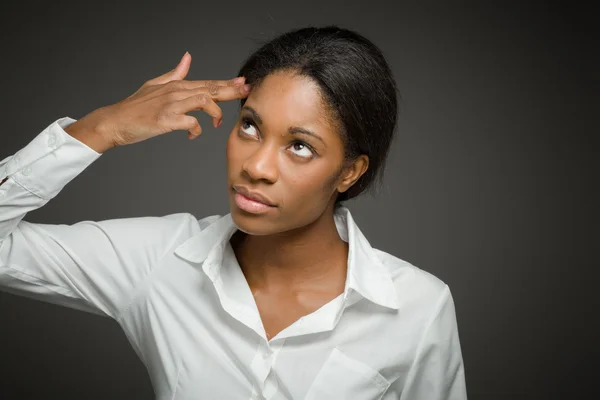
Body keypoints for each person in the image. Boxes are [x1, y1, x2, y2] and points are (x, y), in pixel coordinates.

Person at [0, 26, 467, 399]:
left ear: (350, 171)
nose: (257, 167)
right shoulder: (159, 262)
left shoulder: (418, 308)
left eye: (300, 147)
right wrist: (103, 128)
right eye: (249, 126)